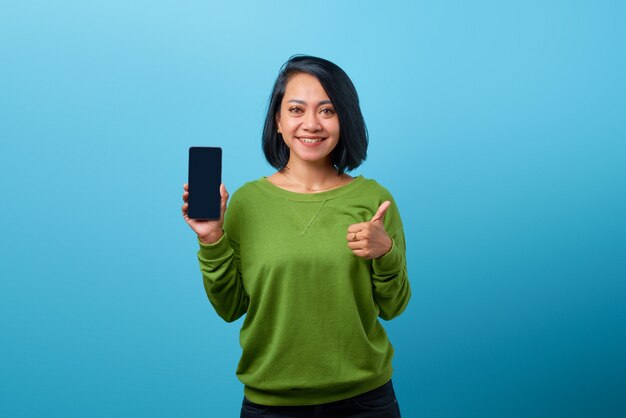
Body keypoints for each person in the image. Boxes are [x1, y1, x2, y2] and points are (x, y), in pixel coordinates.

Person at [182, 55, 411, 418]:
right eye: (296, 109)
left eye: (327, 111)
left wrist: (386, 253)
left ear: (344, 119)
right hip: (271, 404)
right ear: (277, 120)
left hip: (366, 400)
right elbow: (230, 308)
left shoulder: (374, 200)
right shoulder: (248, 202)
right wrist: (211, 240)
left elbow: (393, 306)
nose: (311, 124)